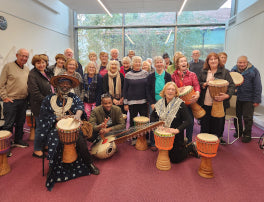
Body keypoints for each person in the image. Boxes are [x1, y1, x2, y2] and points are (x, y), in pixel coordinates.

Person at [39, 74, 99, 191]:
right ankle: (53, 166)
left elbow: (80, 106)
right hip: (54, 127)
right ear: (57, 85)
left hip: (72, 126)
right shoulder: (49, 98)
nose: (65, 86)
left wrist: (77, 115)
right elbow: (43, 115)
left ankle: (89, 163)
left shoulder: (73, 97)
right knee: (54, 139)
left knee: (80, 138)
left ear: (71, 86)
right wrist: (57, 119)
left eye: (68, 84)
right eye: (62, 83)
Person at [150, 82, 197, 163]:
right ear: (164, 91)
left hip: (176, 135)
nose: (170, 91)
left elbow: (189, 120)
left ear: (176, 92)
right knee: (165, 153)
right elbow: (152, 116)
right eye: (168, 89)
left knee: (175, 159)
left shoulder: (180, 104)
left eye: (173, 90)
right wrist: (157, 125)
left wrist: (177, 130)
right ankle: (182, 145)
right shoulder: (160, 102)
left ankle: (190, 146)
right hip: (163, 133)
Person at [198, 52, 235, 144]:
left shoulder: (225, 72)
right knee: (205, 124)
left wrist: (227, 95)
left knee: (217, 125)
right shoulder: (203, 71)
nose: (213, 61)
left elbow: (232, 85)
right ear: (208, 61)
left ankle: (213, 144)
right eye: (211, 59)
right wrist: (205, 83)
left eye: (215, 59)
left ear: (218, 61)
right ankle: (204, 143)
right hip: (205, 102)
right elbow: (198, 84)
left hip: (219, 103)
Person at [0, 48, 30, 149]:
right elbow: (1, 84)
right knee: (9, 124)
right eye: (22, 55)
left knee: (21, 122)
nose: (24, 58)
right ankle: (5, 146)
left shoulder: (26, 69)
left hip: (23, 100)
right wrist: (4, 97)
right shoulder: (8, 66)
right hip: (11, 100)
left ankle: (18, 140)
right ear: (17, 55)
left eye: (26, 56)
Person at [231, 56, 262, 143]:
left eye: (243, 62)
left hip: (248, 98)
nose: (241, 64)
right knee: (236, 117)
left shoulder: (254, 71)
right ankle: (238, 132)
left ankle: (247, 134)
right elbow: (230, 83)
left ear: (247, 62)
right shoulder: (233, 71)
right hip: (236, 98)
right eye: (240, 62)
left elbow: (258, 86)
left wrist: (257, 100)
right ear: (237, 63)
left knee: (248, 117)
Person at [28, 54, 53, 158]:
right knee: (40, 128)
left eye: (43, 62)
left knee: (47, 127)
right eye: (38, 63)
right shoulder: (32, 74)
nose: (41, 65)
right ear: (34, 64)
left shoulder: (47, 72)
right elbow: (35, 93)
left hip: (49, 104)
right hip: (40, 106)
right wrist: (49, 100)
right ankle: (37, 150)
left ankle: (45, 145)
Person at [171, 55, 200, 144]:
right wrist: (176, 90)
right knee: (179, 124)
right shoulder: (174, 75)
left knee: (190, 123)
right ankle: (179, 142)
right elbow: (171, 87)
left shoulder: (192, 74)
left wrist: (197, 93)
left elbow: (196, 85)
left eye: (185, 61)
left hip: (189, 103)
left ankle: (189, 142)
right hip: (178, 103)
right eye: (181, 61)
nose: (184, 63)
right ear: (178, 64)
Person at [147, 56, 171, 150]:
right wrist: (152, 103)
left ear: (164, 63)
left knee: (165, 122)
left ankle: (163, 141)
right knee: (153, 123)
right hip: (154, 102)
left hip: (165, 102)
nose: (159, 64)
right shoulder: (151, 76)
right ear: (154, 64)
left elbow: (170, 90)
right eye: (157, 62)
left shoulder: (168, 76)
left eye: (161, 62)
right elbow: (148, 91)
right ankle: (153, 143)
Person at [123, 56, 149, 127]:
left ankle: (144, 137)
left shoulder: (145, 74)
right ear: (132, 63)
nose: (137, 63)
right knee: (132, 121)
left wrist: (148, 99)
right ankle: (133, 136)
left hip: (143, 102)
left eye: (139, 62)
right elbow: (125, 89)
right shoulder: (128, 75)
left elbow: (148, 87)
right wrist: (125, 103)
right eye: (136, 62)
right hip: (132, 102)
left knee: (144, 121)